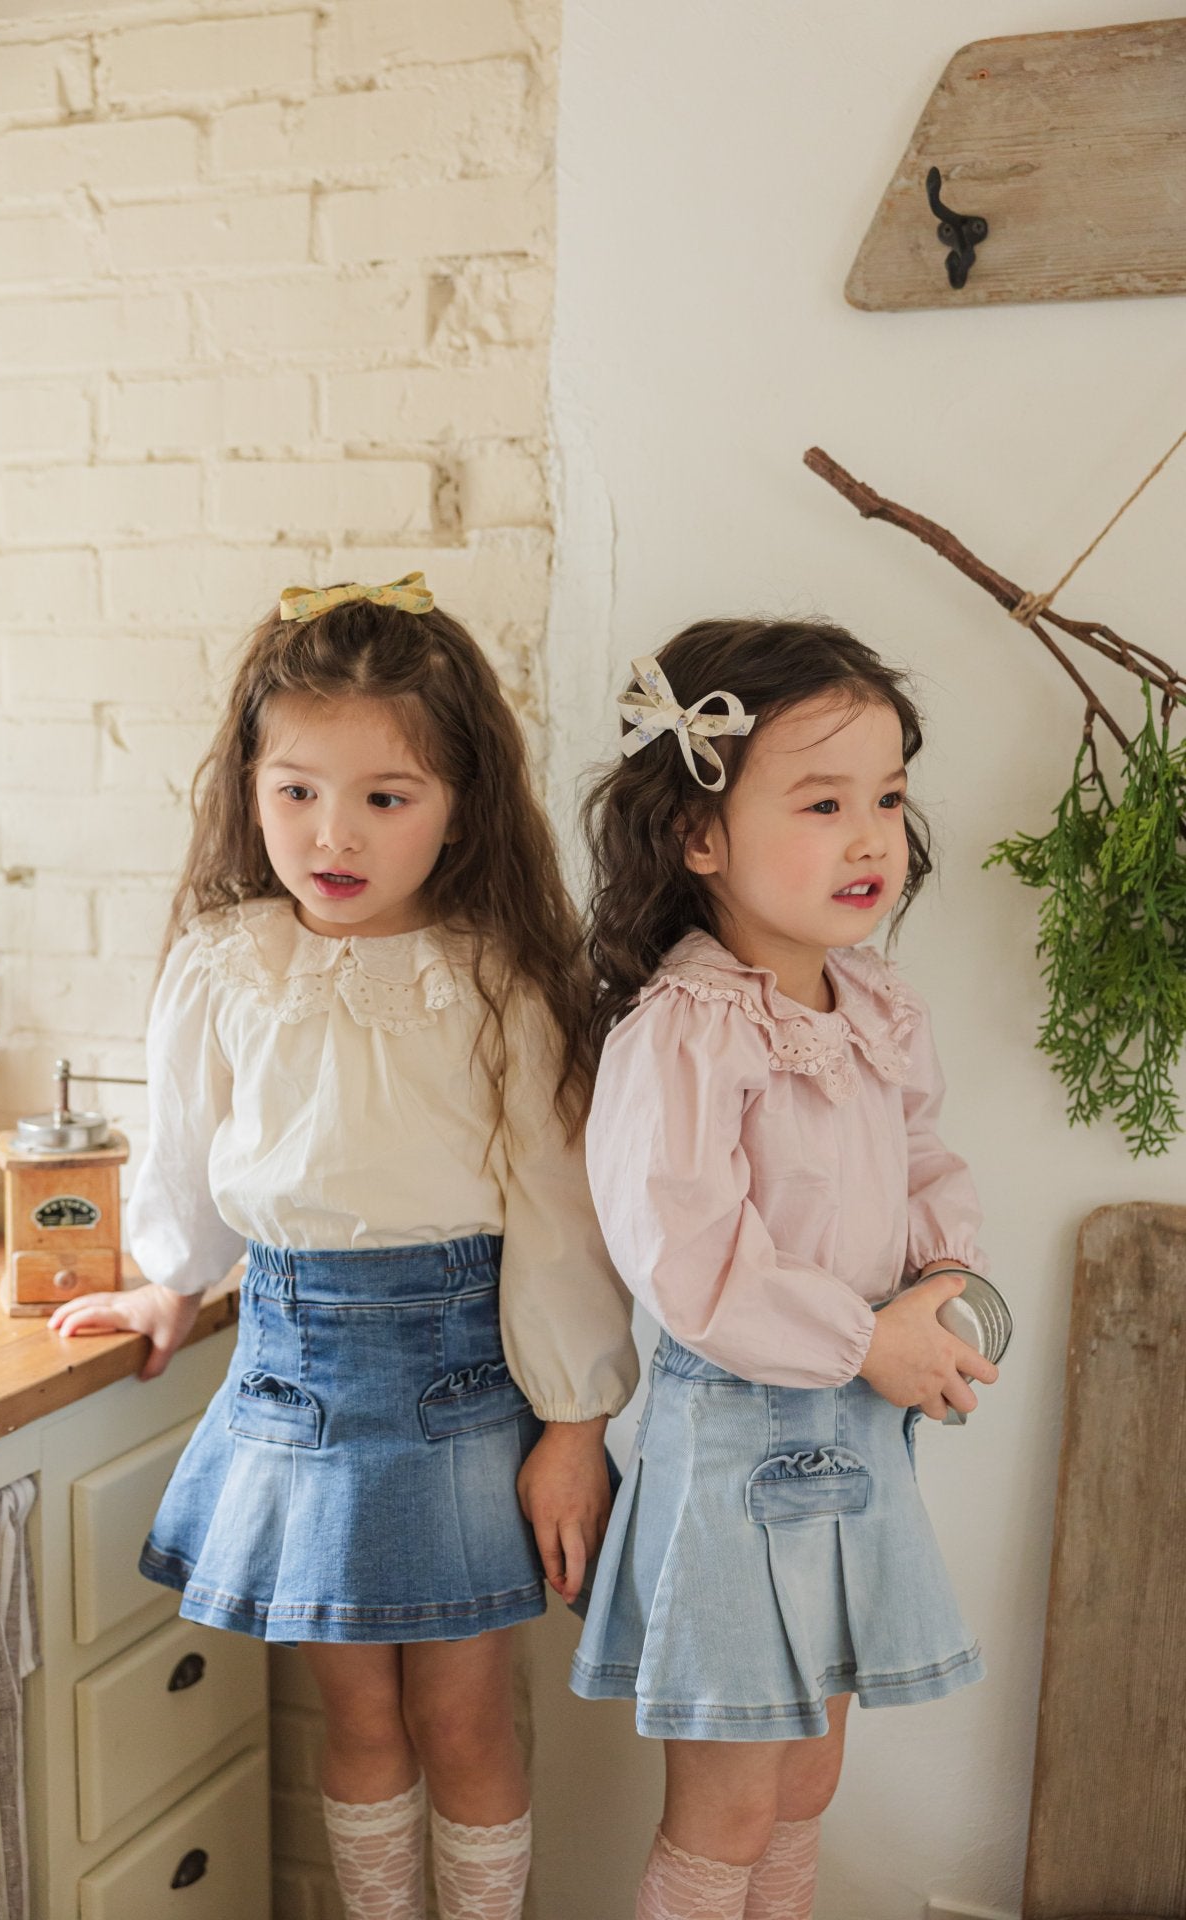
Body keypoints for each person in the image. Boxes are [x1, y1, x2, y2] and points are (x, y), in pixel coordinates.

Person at [50, 573, 638, 1920]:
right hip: (287, 1375)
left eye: (387, 796)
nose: (335, 832)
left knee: (464, 1719)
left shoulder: (499, 976)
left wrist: (573, 1422)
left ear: (461, 805)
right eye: (298, 790)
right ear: (249, 787)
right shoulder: (223, 961)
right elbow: (189, 1150)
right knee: (357, 1721)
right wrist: (169, 1282)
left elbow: (561, 1215)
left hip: (460, 1385)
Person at [570, 621, 998, 1920]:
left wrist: (943, 1277)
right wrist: (866, 1339)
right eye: (822, 804)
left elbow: (923, 1159)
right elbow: (688, 1258)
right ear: (699, 835)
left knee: (810, 1778)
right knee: (731, 1806)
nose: (870, 839)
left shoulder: (875, 1008)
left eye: (888, 799)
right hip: (738, 1447)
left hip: (863, 1432)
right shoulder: (686, 1032)